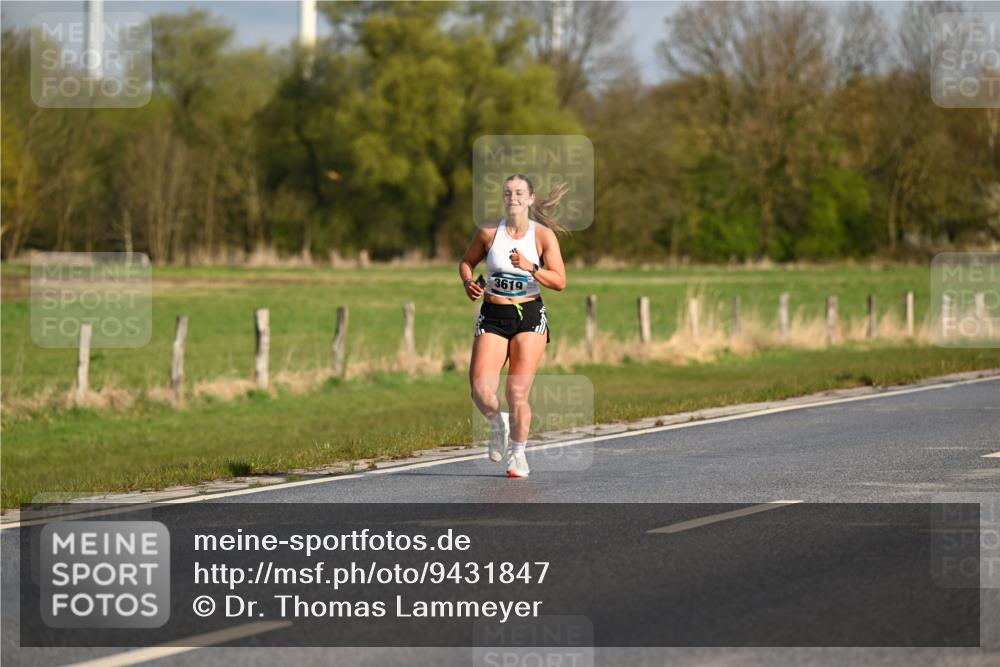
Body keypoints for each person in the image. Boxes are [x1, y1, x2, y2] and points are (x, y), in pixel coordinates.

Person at [458, 174, 568, 478]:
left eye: (520, 192)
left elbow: (560, 281)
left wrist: (531, 268)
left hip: (529, 316)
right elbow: (466, 262)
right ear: (503, 198)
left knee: (517, 393)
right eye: (508, 193)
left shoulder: (543, 236)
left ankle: (518, 455)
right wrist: (468, 282)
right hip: (493, 315)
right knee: (480, 390)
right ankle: (499, 424)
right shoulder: (488, 232)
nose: (513, 197)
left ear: (530, 199)